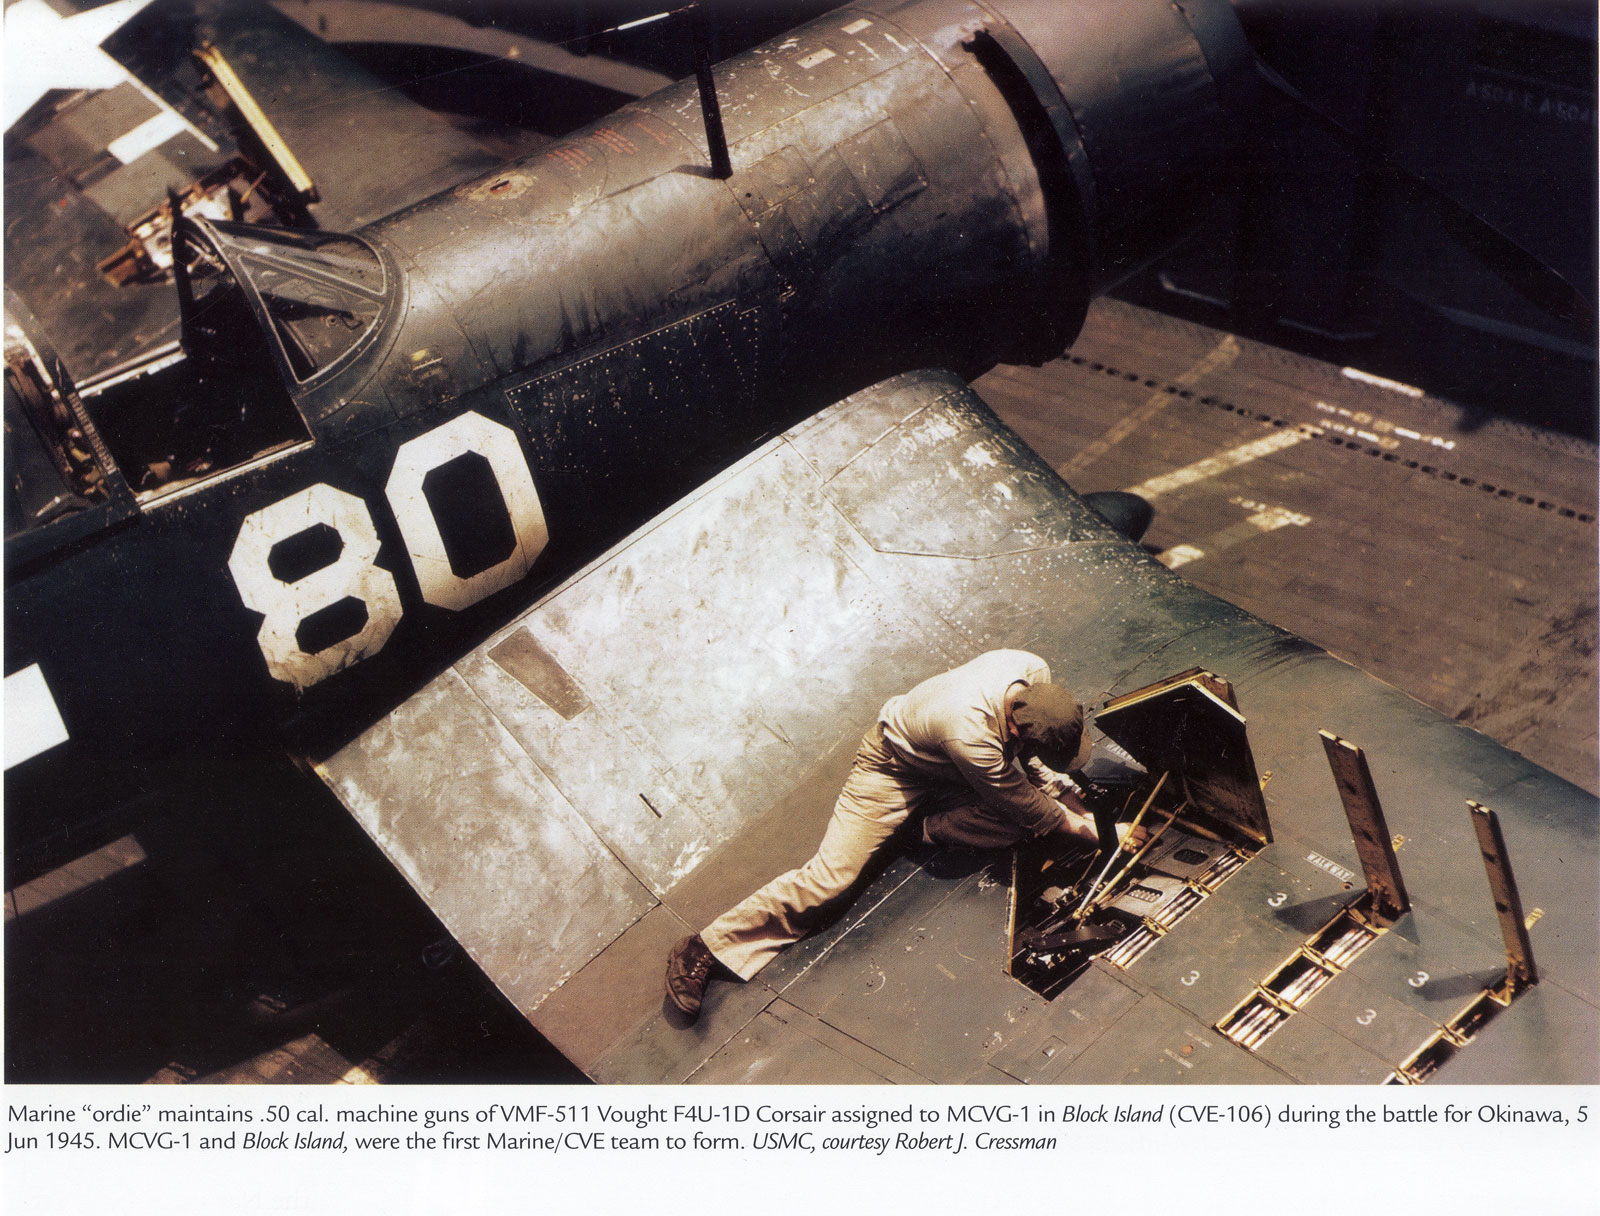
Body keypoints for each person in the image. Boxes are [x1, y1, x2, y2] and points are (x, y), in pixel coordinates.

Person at [665, 649, 1139, 1020]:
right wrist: (1102, 834)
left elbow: (1033, 765)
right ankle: (708, 946)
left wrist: (1079, 805)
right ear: (1014, 725)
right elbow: (1032, 805)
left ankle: (925, 830)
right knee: (831, 878)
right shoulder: (968, 733)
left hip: (952, 760)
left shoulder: (1032, 673)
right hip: (893, 769)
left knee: (1026, 817)